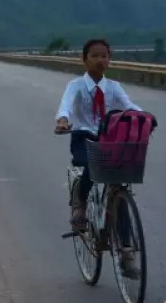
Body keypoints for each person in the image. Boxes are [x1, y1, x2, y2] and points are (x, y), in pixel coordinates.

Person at [54, 38, 142, 228]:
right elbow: (66, 105)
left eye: (104, 56)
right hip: (83, 138)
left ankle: (125, 245)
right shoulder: (75, 85)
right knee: (91, 165)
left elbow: (128, 105)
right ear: (84, 60)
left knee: (118, 179)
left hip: (108, 138)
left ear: (109, 60)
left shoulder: (113, 87)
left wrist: (142, 115)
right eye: (94, 56)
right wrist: (63, 119)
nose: (100, 60)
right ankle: (80, 202)